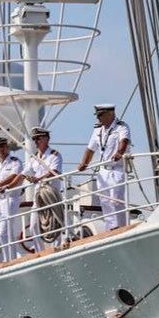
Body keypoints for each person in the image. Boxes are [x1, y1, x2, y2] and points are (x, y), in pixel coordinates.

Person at [76, 103, 132, 231]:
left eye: (101, 115)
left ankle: (122, 227)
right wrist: (84, 163)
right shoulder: (97, 130)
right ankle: (110, 228)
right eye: (98, 115)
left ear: (110, 114)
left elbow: (124, 141)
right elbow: (90, 149)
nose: (98, 118)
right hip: (103, 171)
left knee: (117, 200)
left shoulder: (121, 127)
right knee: (105, 201)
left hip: (117, 169)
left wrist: (119, 153)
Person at [23, 126, 63, 251]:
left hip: (52, 194)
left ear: (46, 139)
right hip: (39, 196)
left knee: (55, 223)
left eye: (38, 139)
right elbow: (25, 172)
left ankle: (57, 248)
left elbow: (54, 171)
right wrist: (27, 177)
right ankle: (40, 252)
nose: (36, 142)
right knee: (34, 226)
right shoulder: (34, 158)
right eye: (34, 139)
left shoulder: (54, 155)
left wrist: (38, 178)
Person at [0, 135, 25, 260]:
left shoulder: (15, 161)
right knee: (2, 234)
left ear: (7, 147)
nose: (1, 149)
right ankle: (7, 258)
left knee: (5, 231)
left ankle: (11, 259)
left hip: (10, 199)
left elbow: (14, 175)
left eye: (3, 146)